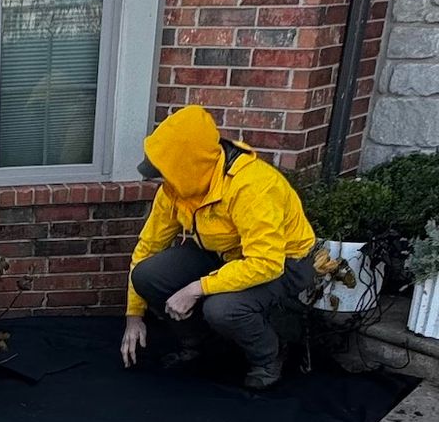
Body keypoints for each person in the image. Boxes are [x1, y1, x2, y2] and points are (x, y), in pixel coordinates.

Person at [119, 104, 315, 389]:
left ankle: (269, 355)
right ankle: (200, 345)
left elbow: (266, 263)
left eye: (165, 172)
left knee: (222, 309)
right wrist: (133, 316)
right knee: (148, 275)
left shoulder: (253, 186)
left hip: (284, 265)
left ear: (188, 166)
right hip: (225, 257)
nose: (159, 180)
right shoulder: (177, 189)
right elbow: (147, 247)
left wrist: (195, 289)